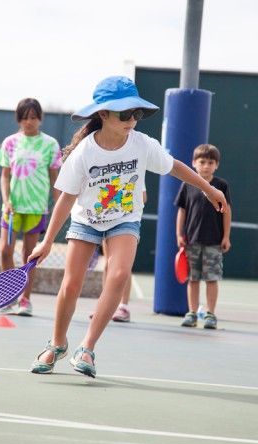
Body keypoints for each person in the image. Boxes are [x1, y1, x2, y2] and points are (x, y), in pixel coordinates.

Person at [28, 76, 227, 378]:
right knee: (71, 284)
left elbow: (174, 166)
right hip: (86, 221)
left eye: (136, 113)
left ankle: (87, 347)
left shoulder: (141, 144)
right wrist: (46, 242)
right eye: (125, 114)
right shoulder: (83, 152)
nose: (132, 120)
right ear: (103, 115)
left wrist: (208, 189)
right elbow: (66, 200)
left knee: (119, 275)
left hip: (124, 219)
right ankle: (57, 344)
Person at [0, 98, 62, 316]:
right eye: (24, 117)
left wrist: (58, 207)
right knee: (5, 251)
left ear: (40, 118)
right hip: (12, 209)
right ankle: (8, 296)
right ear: (19, 119)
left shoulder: (51, 145)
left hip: (36, 208)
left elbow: (55, 180)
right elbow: (5, 177)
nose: (28, 122)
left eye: (33, 117)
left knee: (29, 257)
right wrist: (6, 201)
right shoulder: (10, 143)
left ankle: (25, 300)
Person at [175, 144, 232, 329]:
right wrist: (179, 234)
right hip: (192, 240)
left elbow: (227, 211)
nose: (206, 165)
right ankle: (191, 313)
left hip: (214, 242)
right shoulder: (187, 184)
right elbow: (181, 211)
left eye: (211, 162)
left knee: (212, 278)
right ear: (194, 163)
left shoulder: (221, 185)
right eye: (202, 162)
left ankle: (210, 314)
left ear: (216, 165)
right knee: (192, 278)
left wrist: (226, 237)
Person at [101, 189, 147, 323]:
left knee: (123, 267)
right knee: (108, 264)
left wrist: (122, 202)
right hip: (105, 221)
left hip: (126, 224)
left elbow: (143, 197)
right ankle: (104, 305)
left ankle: (123, 307)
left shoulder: (135, 170)